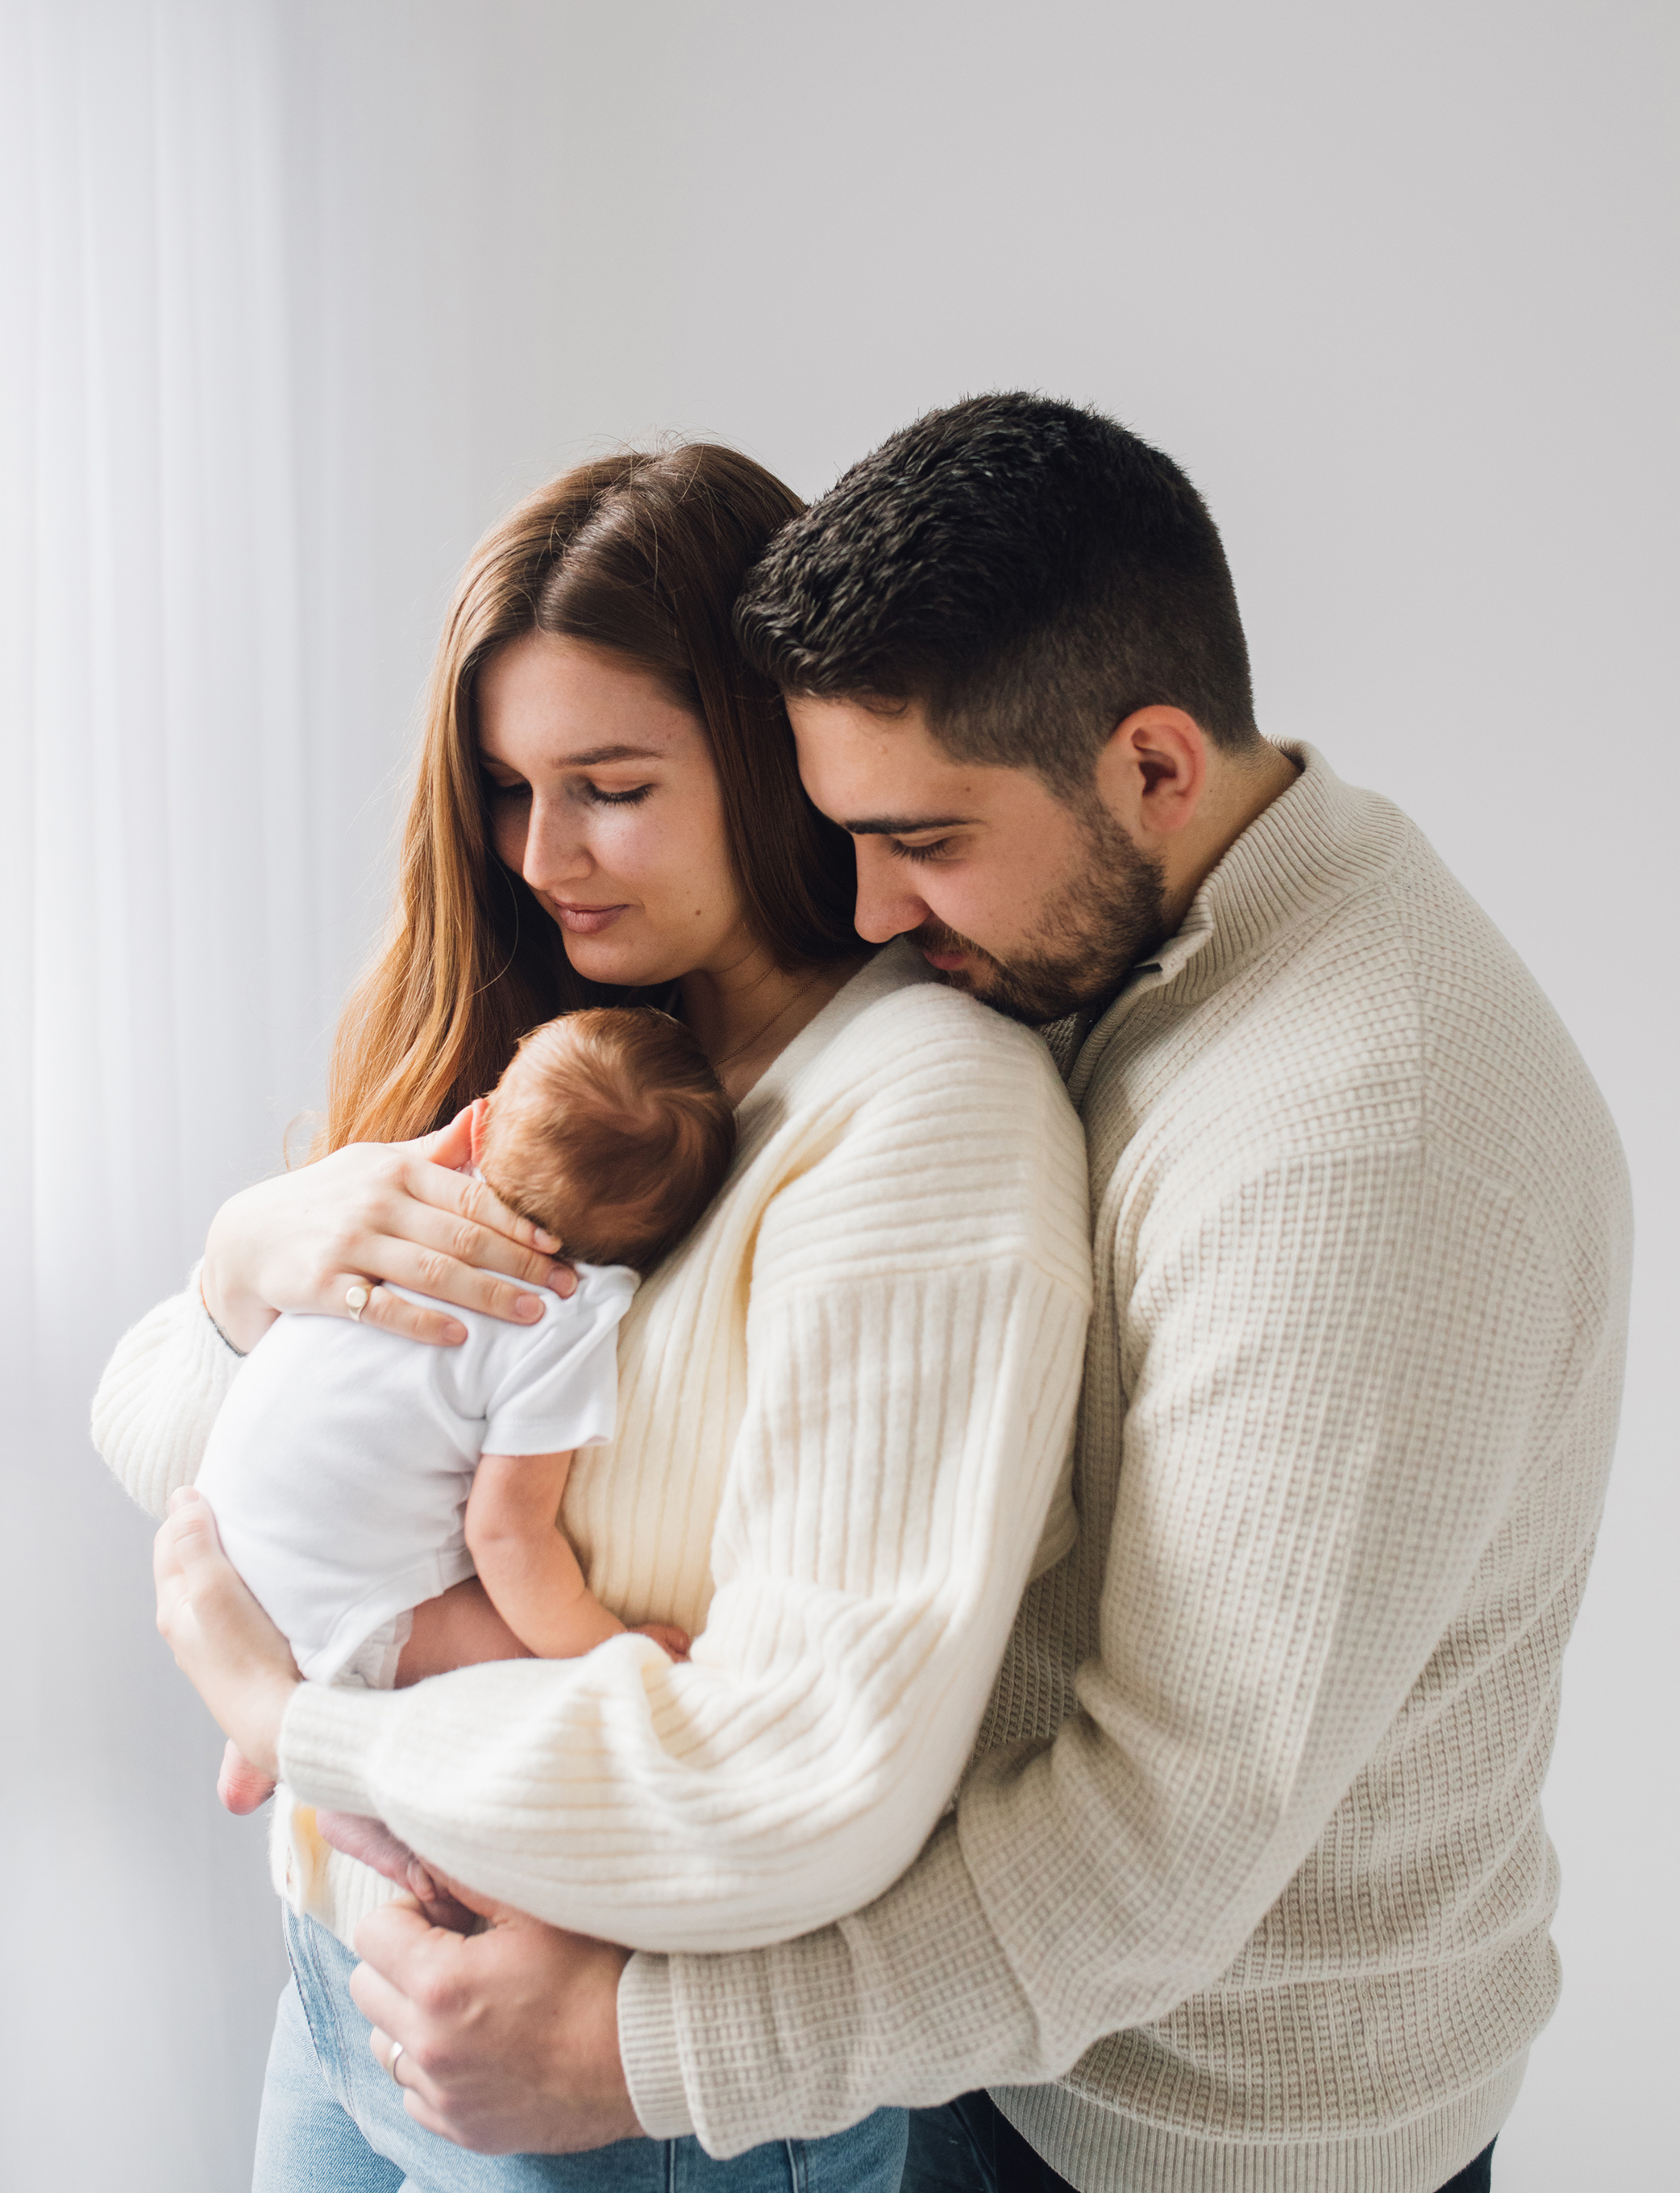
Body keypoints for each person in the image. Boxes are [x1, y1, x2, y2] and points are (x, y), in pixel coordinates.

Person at [177, 395, 1625, 2193]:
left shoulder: (1362, 1139)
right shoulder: (1127, 947)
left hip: (1182, 2136)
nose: (866, 907)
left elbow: (1159, 1848)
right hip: (966, 2044)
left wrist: (631, 2047)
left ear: (1156, 768)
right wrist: (250, 1268)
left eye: (921, 841)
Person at [100, 441, 1094, 2193]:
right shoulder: (570, 1062)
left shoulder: (914, 1116)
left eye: (612, 784)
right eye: (507, 787)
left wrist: (292, 1716)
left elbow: (810, 1775)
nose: (543, 852)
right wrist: (246, 1260)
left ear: (773, 759)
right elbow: (187, 1449)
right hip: (347, 1977)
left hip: (610, 2082)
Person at [197, 1009, 730, 1845]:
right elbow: (507, 1537)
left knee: (347, 1585)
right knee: (526, 1683)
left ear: (474, 1125)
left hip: (232, 1516)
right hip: (341, 1585)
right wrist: (601, 1650)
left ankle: (262, 1732)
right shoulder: (561, 1312)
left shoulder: (390, 1210)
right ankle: (342, 1795)